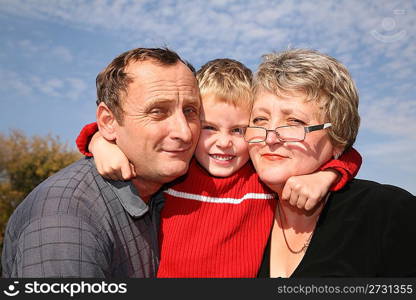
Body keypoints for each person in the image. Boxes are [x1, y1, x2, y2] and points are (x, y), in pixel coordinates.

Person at [77, 58, 362, 277]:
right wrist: (100, 141)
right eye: (209, 128)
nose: (223, 143)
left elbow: (348, 153)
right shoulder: (177, 173)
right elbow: (116, 132)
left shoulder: (259, 177)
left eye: (239, 130)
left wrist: (326, 175)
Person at [1, 47, 201, 278]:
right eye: (157, 112)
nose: (184, 132)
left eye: (190, 110)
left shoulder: (176, 190)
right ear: (108, 121)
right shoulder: (66, 217)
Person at [248, 49, 416, 277]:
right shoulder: (240, 211)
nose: (270, 137)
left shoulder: (388, 212)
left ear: (338, 139)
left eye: (294, 121)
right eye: (260, 119)